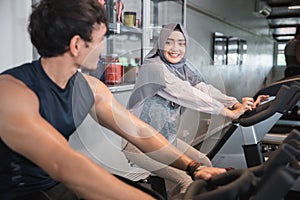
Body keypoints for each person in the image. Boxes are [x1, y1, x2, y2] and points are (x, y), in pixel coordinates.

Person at [0, 1, 226, 200]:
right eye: (100, 40)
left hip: (55, 184)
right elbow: (65, 163)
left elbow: (139, 132)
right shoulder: (11, 92)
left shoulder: (88, 88)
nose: (103, 48)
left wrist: (193, 166)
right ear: (77, 45)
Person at [122, 23, 269, 198]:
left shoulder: (182, 68)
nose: (175, 48)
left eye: (181, 43)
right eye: (169, 42)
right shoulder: (153, 67)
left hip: (165, 139)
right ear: (160, 44)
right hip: (139, 144)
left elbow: (204, 89)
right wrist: (228, 113)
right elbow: (189, 94)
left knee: (204, 162)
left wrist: (234, 104)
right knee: (186, 180)